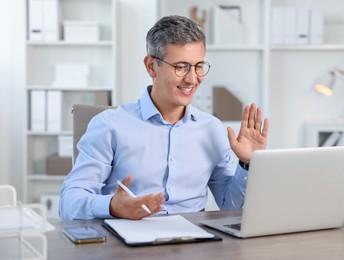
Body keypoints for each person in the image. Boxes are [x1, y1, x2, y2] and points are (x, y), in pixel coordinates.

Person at [59, 15, 269, 221]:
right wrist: (112, 206)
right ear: (151, 66)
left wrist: (247, 163)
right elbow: (68, 203)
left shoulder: (211, 128)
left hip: (195, 244)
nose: (192, 79)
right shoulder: (109, 125)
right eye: (181, 67)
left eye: (198, 66)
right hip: (127, 246)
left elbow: (228, 206)